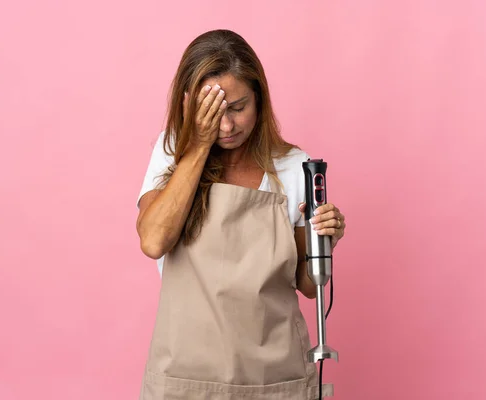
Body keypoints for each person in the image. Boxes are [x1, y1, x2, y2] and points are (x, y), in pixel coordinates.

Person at [136, 29, 346, 400]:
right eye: (214, 112)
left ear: (259, 100)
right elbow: (154, 241)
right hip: (186, 378)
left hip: (275, 379)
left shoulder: (292, 166)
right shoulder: (172, 152)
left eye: (237, 108)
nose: (228, 126)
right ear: (189, 104)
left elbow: (309, 287)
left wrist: (325, 242)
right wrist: (197, 146)